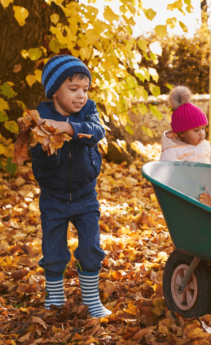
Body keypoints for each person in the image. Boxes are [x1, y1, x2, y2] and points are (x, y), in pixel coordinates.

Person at [33, 55, 111, 318]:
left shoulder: (88, 111)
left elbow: (96, 132)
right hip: (53, 197)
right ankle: (55, 297)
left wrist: (67, 128)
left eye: (85, 89)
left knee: (90, 247)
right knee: (53, 250)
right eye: (73, 88)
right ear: (55, 90)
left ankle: (91, 300)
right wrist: (47, 145)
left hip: (85, 195)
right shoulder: (42, 116)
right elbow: (39, 164)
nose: (81, 96)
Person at [160, 86, 211, 165]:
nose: (201, 133)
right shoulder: (172, 151)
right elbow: (165, 172)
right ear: (181, 133)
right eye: (196, 130)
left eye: (203, 128)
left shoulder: (205, 146)